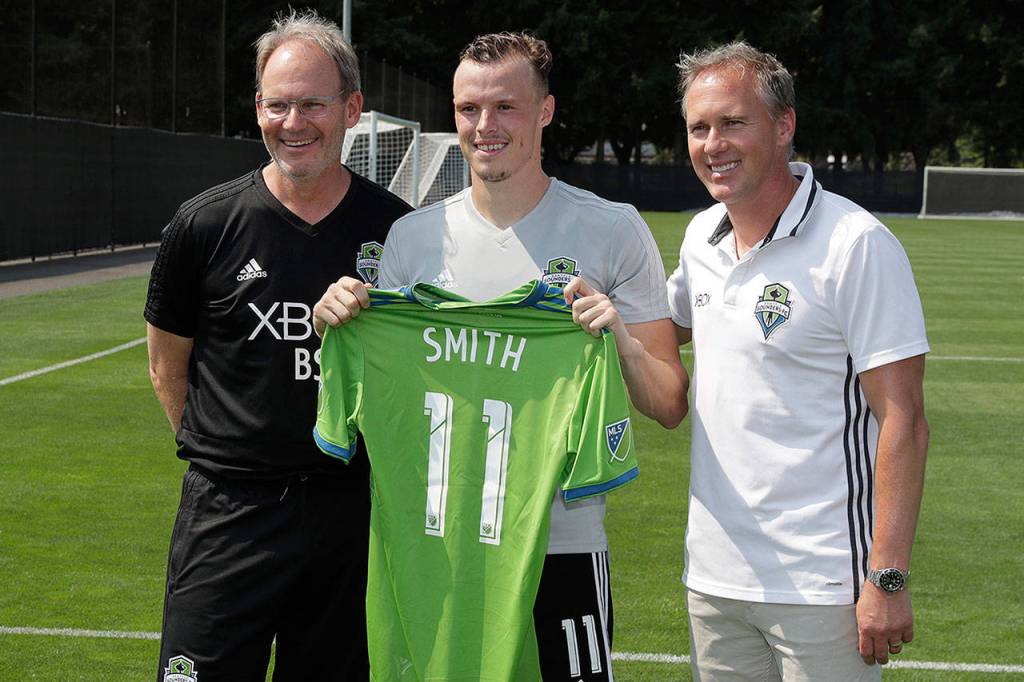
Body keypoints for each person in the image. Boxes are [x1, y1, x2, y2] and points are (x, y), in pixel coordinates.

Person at [313, 31, 689, 681]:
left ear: (545, 111)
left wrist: (620, 342)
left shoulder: (612, 228)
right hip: (437, 552)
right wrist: (339, 326)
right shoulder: (412, 239)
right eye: (469, 108)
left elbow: (669, 403)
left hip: (562, 551)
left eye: (506, 107)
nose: (485, 126)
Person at [144, 9, 411, 681]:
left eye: (313, 104)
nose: (294, 123)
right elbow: (166, 367)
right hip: (228, 514)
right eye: (278, 104)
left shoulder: (402, 233)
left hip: (348, 513)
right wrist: (230, 457)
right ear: (258, 108)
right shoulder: (203, 224)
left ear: (352, 109)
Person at [666, 41, 930, 680]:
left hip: (824, 586)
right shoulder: (701, 236)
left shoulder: (855, 244)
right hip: (715, 579)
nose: (713, 144)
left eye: (733, 122)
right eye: (699, 128)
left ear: (784, 126)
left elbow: (904, 420)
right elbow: (659, 329)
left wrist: (887, 577)